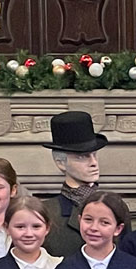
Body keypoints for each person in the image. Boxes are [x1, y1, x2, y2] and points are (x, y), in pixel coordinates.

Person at [41, 111, 107, 259]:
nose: (93, 163)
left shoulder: (116, 207)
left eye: (94, 155)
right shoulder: (46, 213)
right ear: (60, 162)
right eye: (82, 157)